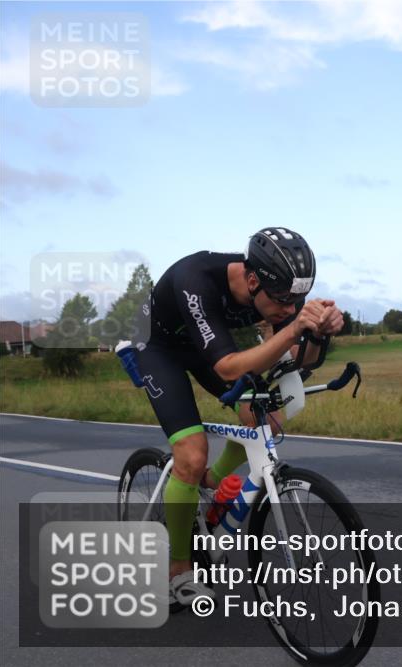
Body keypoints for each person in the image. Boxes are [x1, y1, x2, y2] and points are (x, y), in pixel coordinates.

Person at [133, 227, 343, 608]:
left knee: (265, 413)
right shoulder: (195, 279)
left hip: (201, 346)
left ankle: (213, 480)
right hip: (156, 347)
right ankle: (178, 569)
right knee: (191, 455)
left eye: (299, 301)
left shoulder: (275, 292)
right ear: (251, 281)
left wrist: (319, 333)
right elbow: (229, 368)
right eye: (282, 300)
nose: (289, 308)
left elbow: (298, 361)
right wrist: (295, 327)